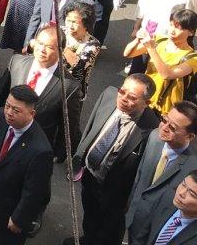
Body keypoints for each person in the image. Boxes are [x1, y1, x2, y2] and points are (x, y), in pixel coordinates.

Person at [72, 74, 160, 245]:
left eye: (132, 97)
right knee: (89, 215)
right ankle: (88, 239)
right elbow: (92, 125)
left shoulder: (152, 130)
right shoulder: (109, 95)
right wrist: (81, 156)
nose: (123, 98)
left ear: (146, 103)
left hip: (116, 195)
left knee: (109, 232)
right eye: (123, 91)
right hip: (90, 176)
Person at [0, 85, 53, 245]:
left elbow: (35, 192)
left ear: (31, 114)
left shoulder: (40, 150)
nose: (9, 112)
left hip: (8, 216)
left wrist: (19, 219)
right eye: (7, 106)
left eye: (16, 110)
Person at [0, 24, 83, 163]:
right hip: (5, 132)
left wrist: (60, 152)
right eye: (40, 43)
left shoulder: (69, 86)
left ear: (61, 51)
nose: (42, 50)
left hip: (34, 146)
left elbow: (68, 124)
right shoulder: (17, 62)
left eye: (50, 47)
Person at [125, 101, 197, 243]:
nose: (163, 128)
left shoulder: (193, 166)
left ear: (190, 137)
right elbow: (140, 178)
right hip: (133, 218)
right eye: (164, 120)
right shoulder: (154, 137)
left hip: (158, 233)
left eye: (172, 127)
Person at [124, 8, 197, 116]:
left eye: (178, 28)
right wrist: (137, 40)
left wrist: (151, 49)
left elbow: (167, 74)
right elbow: (128, 53)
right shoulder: (160, 40)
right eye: (171, 25)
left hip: (165, 111)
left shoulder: (192, 58)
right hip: (143, 100)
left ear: (191, 32)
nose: (172, 30)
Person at [129, 171, 197, 245]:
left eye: (191, 193)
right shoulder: (166, 199)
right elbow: (142, 237)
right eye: (183, 185)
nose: (181, 193)